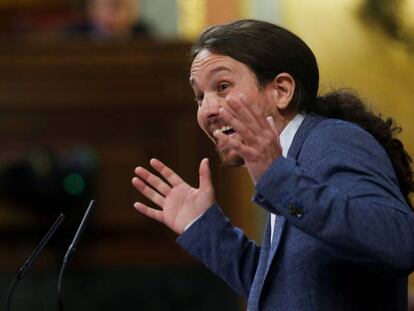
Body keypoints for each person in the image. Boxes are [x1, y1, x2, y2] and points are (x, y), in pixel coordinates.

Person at [131, 19, 414, 310]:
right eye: (200, 96)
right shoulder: (291, 158)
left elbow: (399, 242)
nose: (207, 110)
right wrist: (204, 228)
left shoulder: (332, 140)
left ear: (281, 90)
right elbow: (284, 290)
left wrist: (279, 179)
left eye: (223, 86)